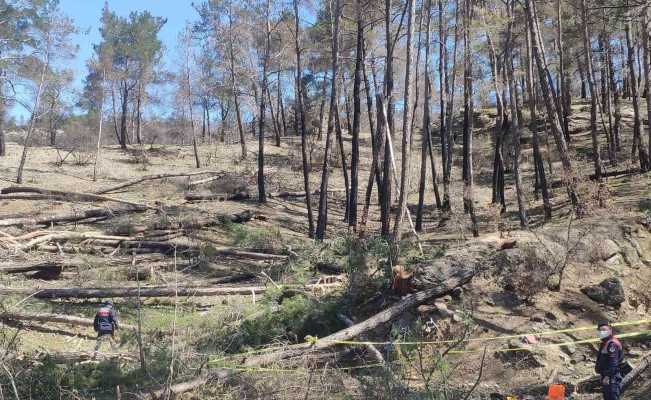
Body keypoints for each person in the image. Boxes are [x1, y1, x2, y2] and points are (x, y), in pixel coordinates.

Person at [595, 321, 624, 400]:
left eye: (604, 330)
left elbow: (613, 362)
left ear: (610, 331)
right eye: (600, 330)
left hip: (612, 378)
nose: (602, 332)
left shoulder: (612, 344)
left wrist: (607, 376)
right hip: (607, 376)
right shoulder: (605, 343)